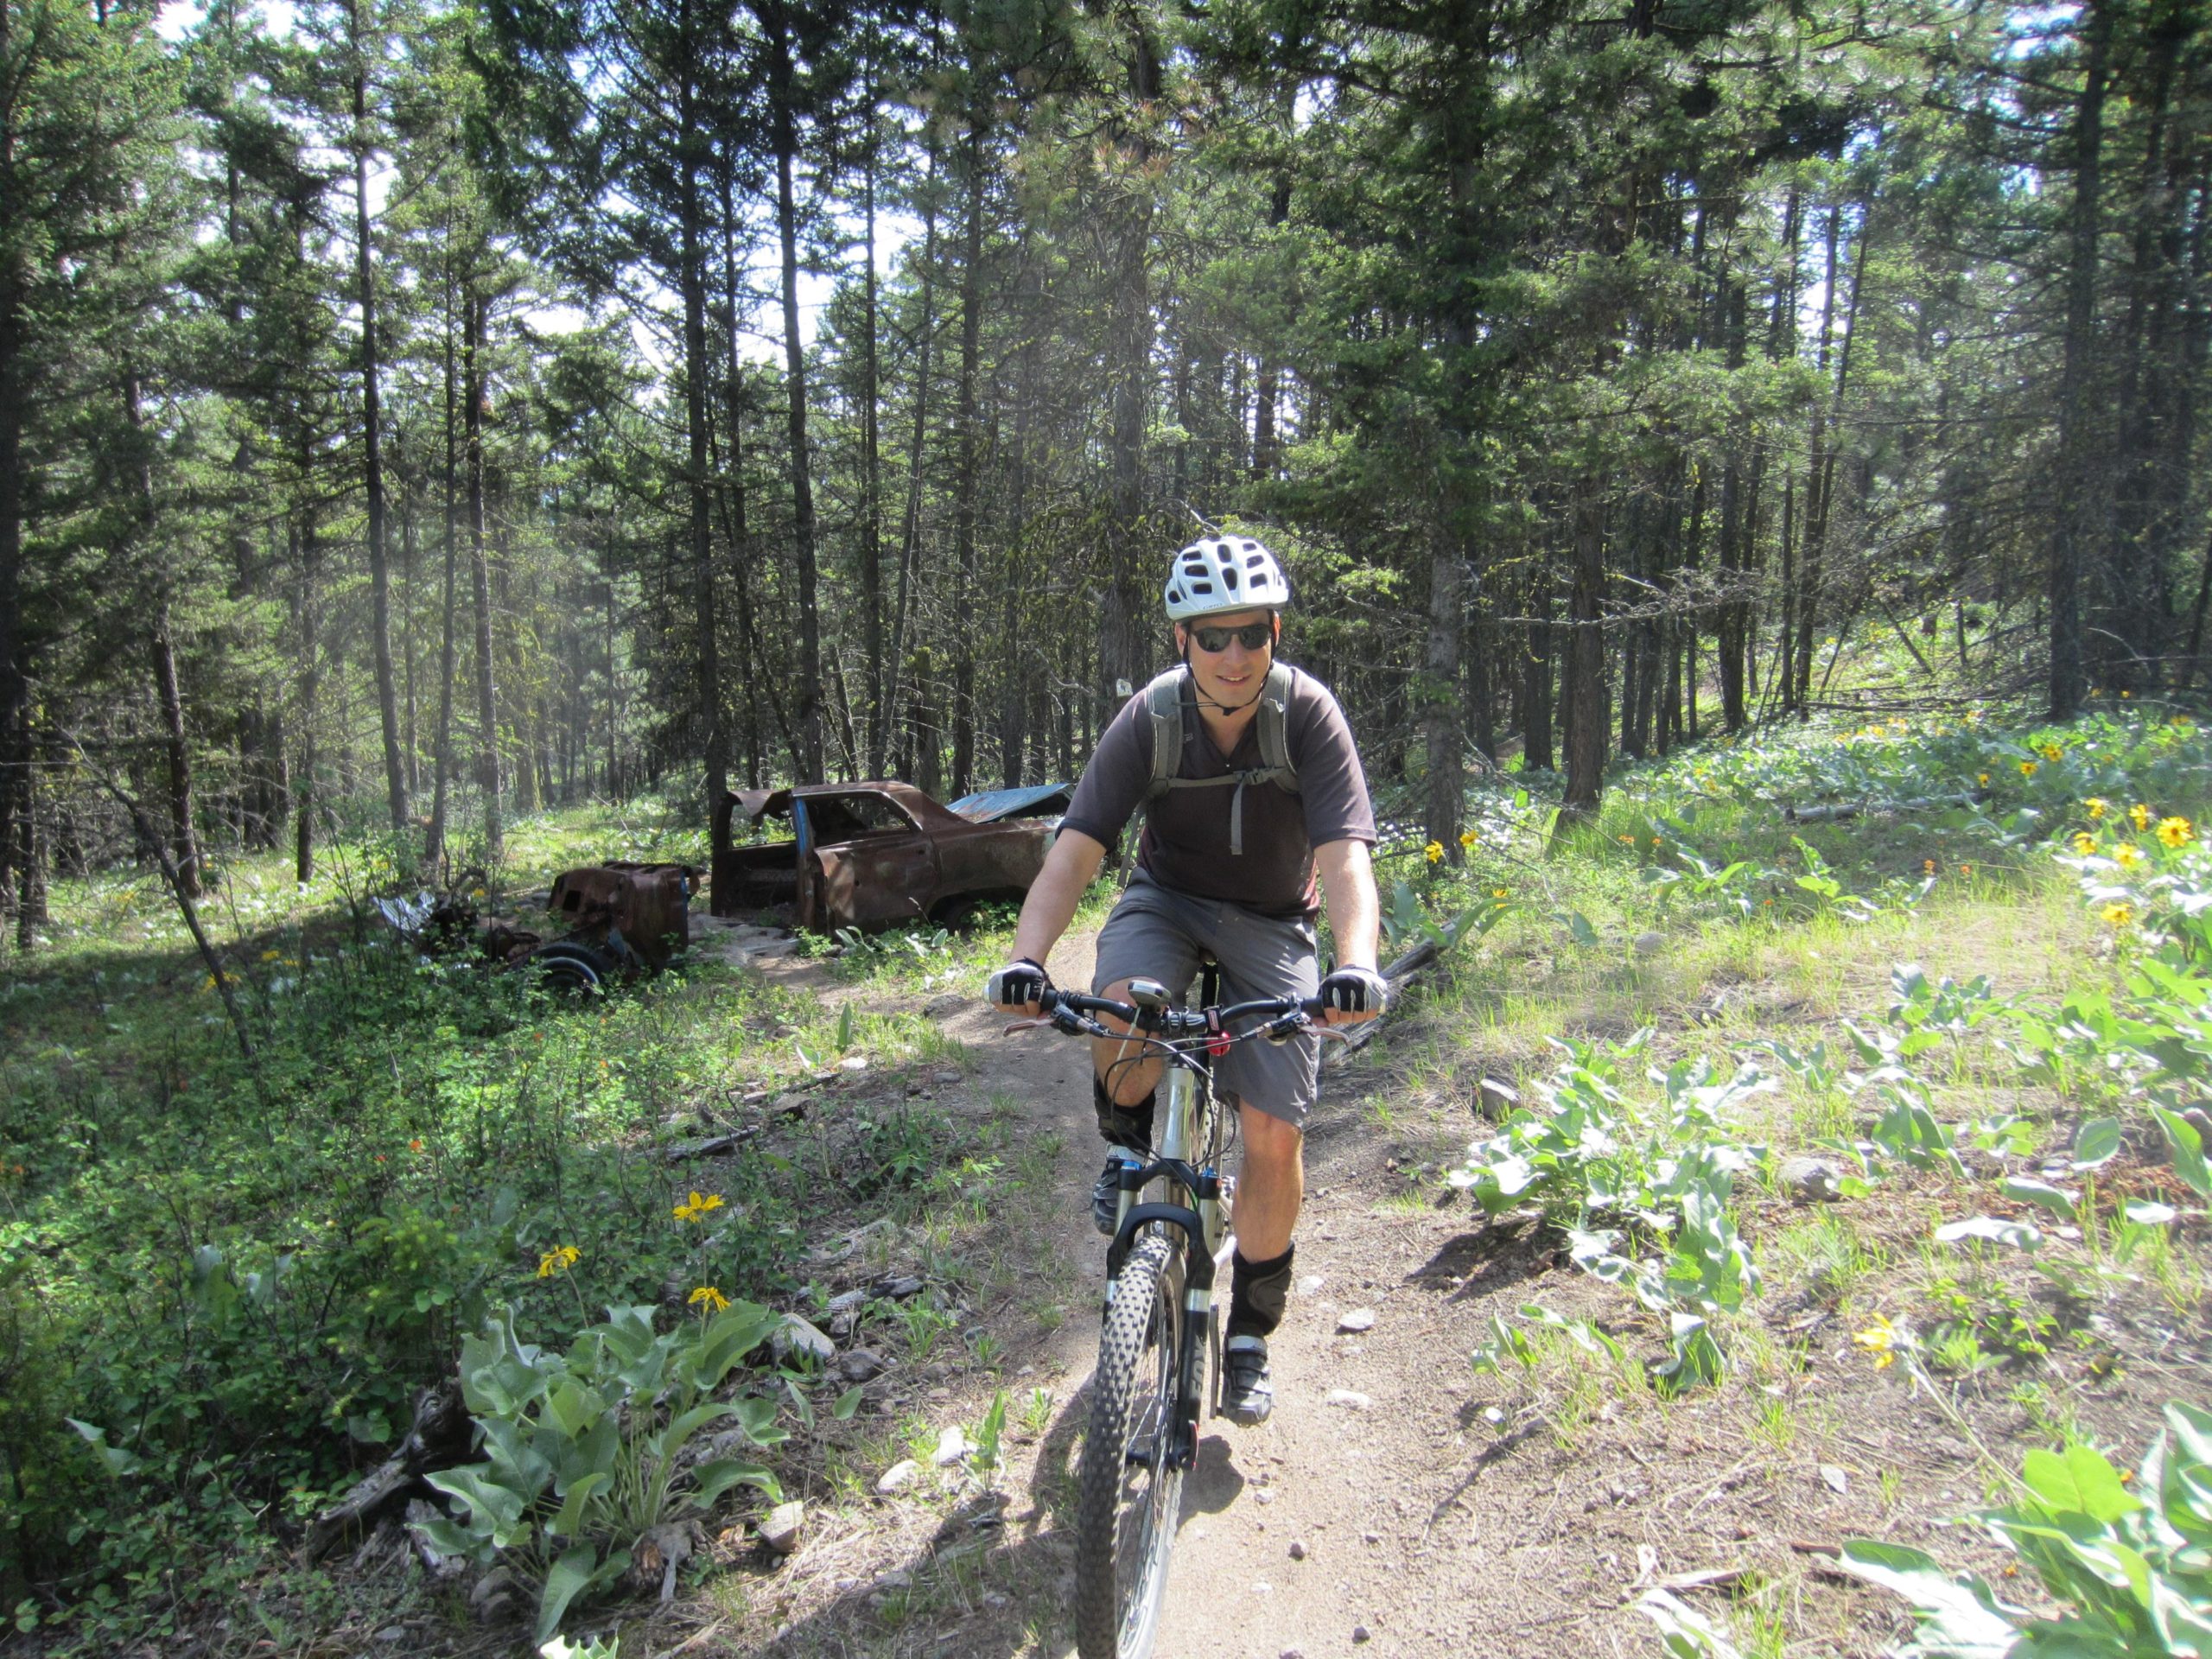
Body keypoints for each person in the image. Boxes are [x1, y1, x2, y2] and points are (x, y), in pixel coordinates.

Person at [984, 535, 1385, 1426]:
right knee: (1116, 1014)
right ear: (1182, 643)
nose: (1233, 655)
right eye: (1212, 637)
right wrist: (1028, 958)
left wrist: (1355, 963)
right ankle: (1129, 1143)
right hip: (1164, 902)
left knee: (1273, 1132)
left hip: (1273, 920)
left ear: (1274, 632)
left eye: (1250, 633)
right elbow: (1077, 848)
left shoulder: (1306, 714)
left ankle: (1247, 1333)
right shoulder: (1150, 719)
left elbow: (1345, 857)